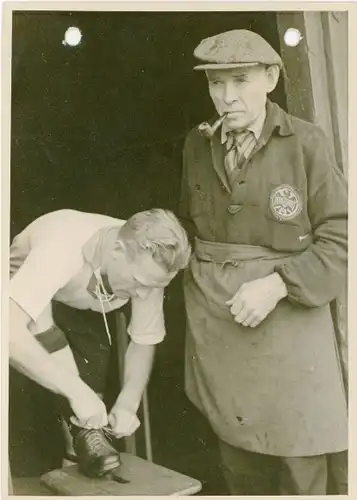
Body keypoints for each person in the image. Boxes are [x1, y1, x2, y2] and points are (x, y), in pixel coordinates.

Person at [179, 29, 348, 495]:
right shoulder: (198, 145)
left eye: (239, 80)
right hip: (224, 325)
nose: (226, 97)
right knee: (239, 460)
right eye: (216, 83)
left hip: (289, 324)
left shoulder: (305, 143)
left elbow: (342, 239)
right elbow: (189, 228)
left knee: (300, 457)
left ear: (270, 78)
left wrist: (277, 285)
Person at [9, 208, 190, 477]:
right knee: (39, 409)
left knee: (89, 414)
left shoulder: (149, 270)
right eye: (139, 283)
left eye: (153, 287)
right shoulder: (61, 248)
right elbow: (9, 333)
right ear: (116, 250)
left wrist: (128, 402)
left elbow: (143, 340)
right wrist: (76, 391)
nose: (144, 295)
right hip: (19, 297)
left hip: (82, 304)